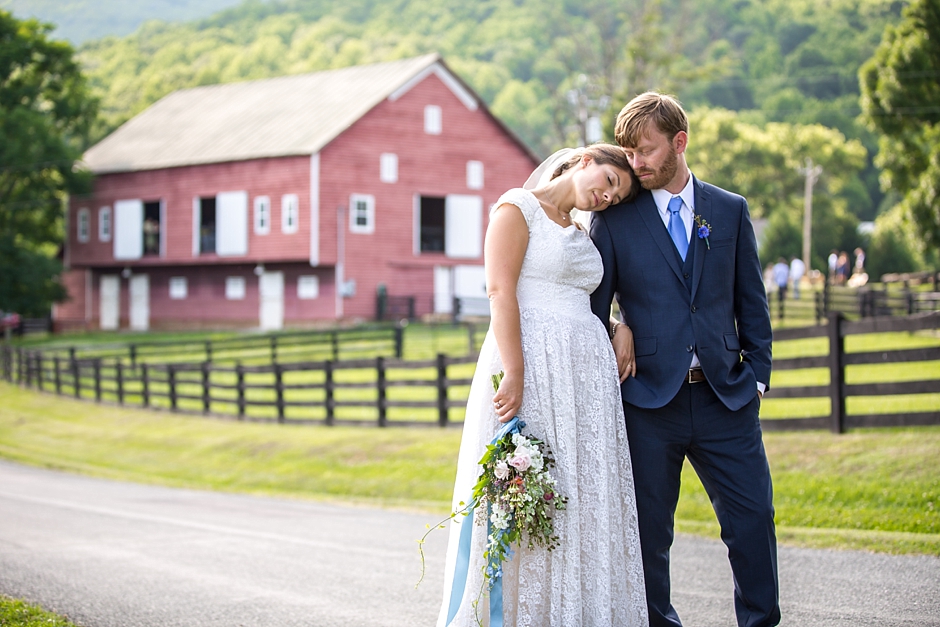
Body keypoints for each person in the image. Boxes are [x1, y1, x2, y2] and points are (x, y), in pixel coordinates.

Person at [437, 144, 649, 626]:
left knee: (579, 496)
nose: (606, 198)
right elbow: (500, 291)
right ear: (585, 160)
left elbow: (582, 297)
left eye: (615, 199)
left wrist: (619, 325)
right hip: (533, 367)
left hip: (585, 384)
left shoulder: (580, 230)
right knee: (531, 494)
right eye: (610, 183)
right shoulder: (517, 207)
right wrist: (514, 370)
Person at [591, 92, 779, 627]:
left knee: (752, 523)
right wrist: (615, 325)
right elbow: (591, 308)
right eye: (628, 153)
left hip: (726, 398)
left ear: (680, 142)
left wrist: (757, 379)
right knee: (650, 534)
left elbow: (753, 304)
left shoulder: (729, 210)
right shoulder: (616, 220)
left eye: (646, 150)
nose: (636, 164)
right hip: (649, 402)